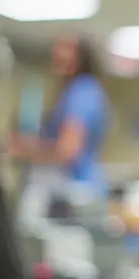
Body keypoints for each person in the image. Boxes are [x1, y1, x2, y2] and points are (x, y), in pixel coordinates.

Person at [7, 34, 110, 201]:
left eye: (67, 50)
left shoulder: (82, 93)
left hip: (77, 191)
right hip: (77, 189)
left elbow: (67, 149)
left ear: (81, 58)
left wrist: (23, 149)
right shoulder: (75, 92)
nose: (58, 55)